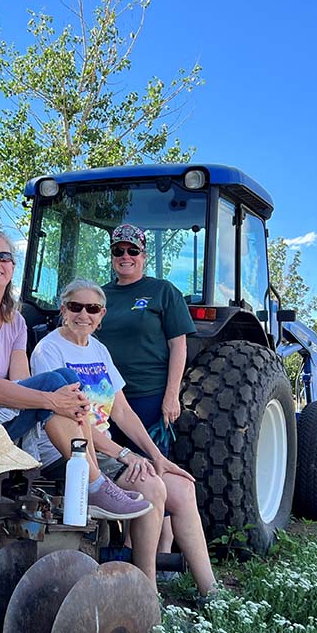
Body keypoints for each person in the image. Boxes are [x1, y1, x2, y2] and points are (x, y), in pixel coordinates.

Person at [0, 228, 151, 522]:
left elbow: (20, 385)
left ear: (12, 267)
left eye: (3, 256)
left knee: (65, 380)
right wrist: (52, 401)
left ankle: (94, 484)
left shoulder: (15, 321)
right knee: (57, 385)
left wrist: (54, 399)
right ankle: (96, 486)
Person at [31, 278, 216, 595]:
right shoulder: (48, 351)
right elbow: (78, 421)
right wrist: (124, 454)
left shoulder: (98, 349)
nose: (83, 315)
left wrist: (157, 457)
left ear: (102, 315)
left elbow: (122, 411)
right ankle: (146, 591)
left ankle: (211, 592)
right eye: (76, 307)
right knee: (150, 486)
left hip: (103, 449)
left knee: (182, 487)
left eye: (92, 309)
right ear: (63, 309)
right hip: (68, 453)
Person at [97, 222, 197, 554]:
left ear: (143, 255)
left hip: (150, 398)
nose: (125, 256)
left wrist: (171, 396)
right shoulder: (100, 297)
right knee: (124, 471)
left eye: (132, 251)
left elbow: (178, 346)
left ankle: (162, 550)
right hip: (109, 401)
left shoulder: (162, 292)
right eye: (118, 251)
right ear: (112, 255)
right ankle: (127, 544)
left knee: (155, 469)